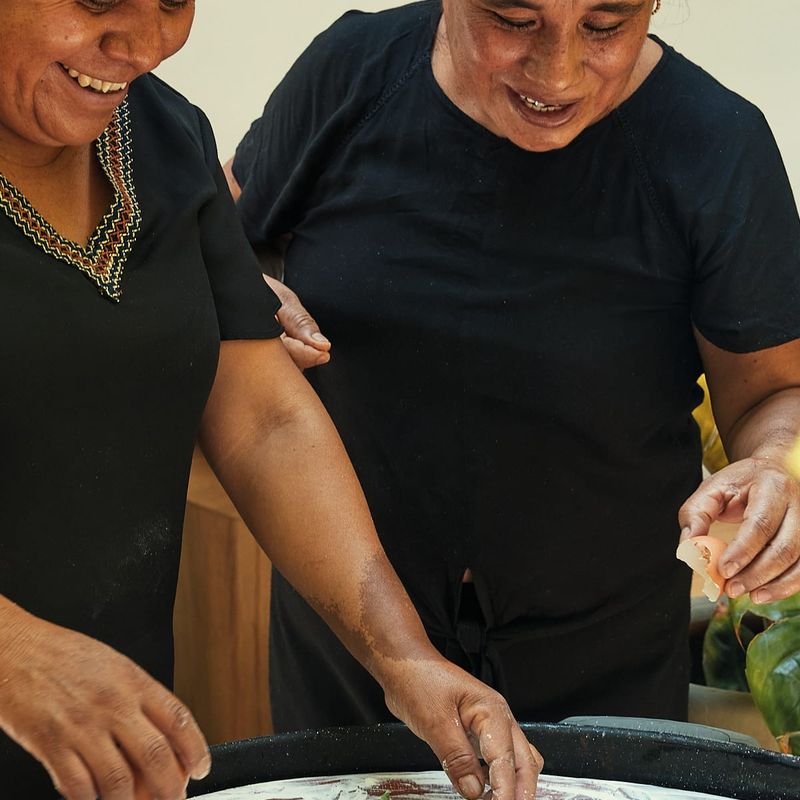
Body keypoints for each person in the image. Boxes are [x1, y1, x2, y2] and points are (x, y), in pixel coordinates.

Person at [0, 2, 544, 799]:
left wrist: (405, 657)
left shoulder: (164, 135)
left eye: (172, 3)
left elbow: (264, 418)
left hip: (111, 756)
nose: (144, 44)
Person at [226, 0, 800, 734]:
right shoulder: (354, 68)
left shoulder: (715, 143)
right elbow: (225, 234)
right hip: (351, 641)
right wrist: (239, 295)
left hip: (601, 667)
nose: (556, 71)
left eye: (606, 25)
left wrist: (772, 465)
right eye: (513, 18)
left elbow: (774, 391)